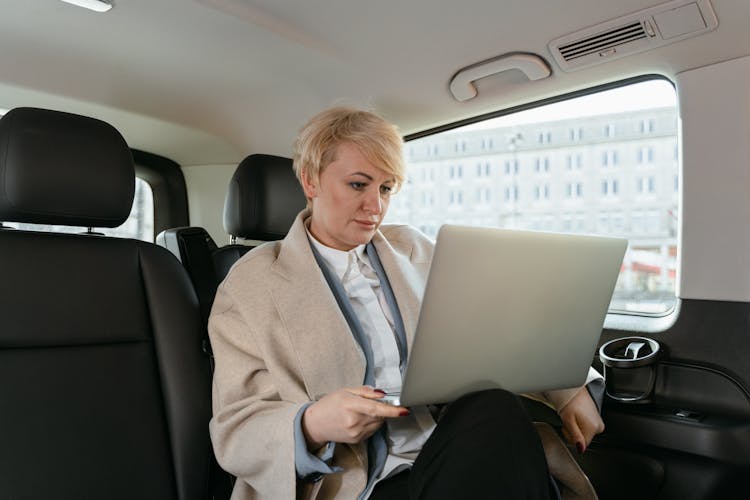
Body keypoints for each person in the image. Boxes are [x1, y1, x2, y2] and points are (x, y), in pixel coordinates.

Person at [208, 106, 606, 500]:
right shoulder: (249, 285)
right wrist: (312, 422)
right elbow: (235, 430)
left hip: (451, 449)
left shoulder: (414, 248)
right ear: (310, 181)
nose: (376, 207)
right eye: (358, 185)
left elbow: (498, 324)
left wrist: (568, 390)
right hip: (356, 482)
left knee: (493, 407)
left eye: (385, 188)